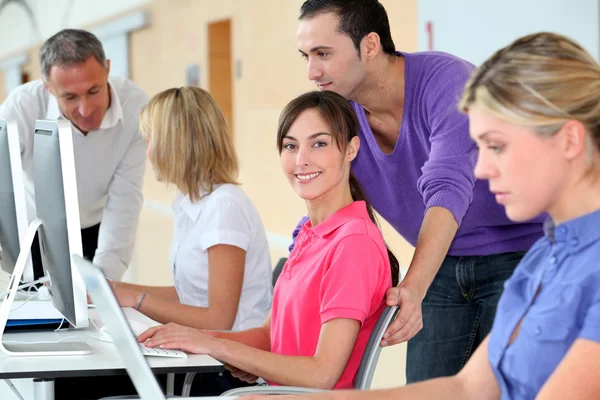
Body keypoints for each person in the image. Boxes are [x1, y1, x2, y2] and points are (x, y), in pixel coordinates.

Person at [253, 31, 600, 400]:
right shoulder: (540, 265)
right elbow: (467, 388)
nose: (481, 170)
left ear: (569, 140)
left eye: (496, 146)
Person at [294, 0, 544, 382]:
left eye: (323, 54)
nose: (312, 71)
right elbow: (337, 196)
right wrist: (303, 248)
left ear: (370, 45)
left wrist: (411, 287)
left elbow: (448, 186)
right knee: (426, 388)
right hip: (443, 260)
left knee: (510, 387)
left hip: (523, 253)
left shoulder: (448, 82)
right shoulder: (343, 114)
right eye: (306, 56)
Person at [137, 90, 399, 390]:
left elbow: (322, 374)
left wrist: (219, 347)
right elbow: (269, 334)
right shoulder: (310, 232)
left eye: (319, 144)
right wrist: (194, 339)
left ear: (351, 149)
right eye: (291, 146)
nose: (301, 160)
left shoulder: (354, 244)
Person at [110, 87, 273, 333]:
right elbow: (189, 297)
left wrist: (137, 300)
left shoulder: (225, 206)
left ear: (172, 144)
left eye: (150, 141)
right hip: (207, 355)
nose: (148, 152)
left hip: (230, 366)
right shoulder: (191, 203)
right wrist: (118, 290)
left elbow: (218, 321)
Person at [0, 29, 148, 281]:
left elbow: (125, 198)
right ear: (48, 87)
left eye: (94, 91)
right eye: (69, 97)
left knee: (94, 304)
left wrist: (103, 283)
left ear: (107, 69)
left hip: (95, 228)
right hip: (35, 228)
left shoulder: (136, 107)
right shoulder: (21, 107)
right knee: (36, 311)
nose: (86, 109)